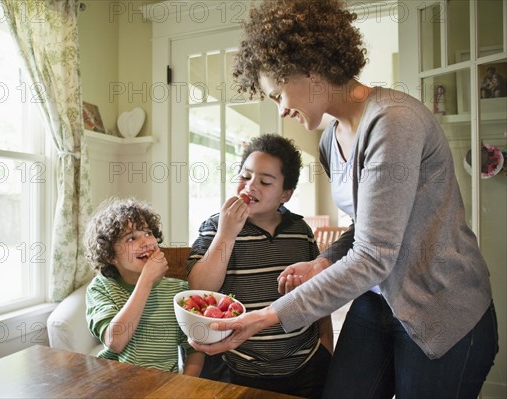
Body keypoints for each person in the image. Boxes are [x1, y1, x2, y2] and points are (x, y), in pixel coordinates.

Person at [189, 1, 498, 398]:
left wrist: (262, 318)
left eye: (279, 93)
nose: (282, 110)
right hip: (378, 301)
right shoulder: (329, 142)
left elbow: (373, 255)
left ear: (310, 69)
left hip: (442, 306)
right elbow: (368, 229)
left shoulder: (393, 121)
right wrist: (324, 260)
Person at [187, 134, 333, 398]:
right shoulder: (215, 226)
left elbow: (318, 291)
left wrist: (326, 344)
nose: (251, 186)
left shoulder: (301, 231)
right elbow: (200, 288)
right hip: (238, 366)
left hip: (305, 363)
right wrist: (226, 235)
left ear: (285, 195)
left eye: (265, 181)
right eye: (245, 176)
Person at [85, 197, 204, 376]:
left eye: (148, 233)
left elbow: (195, 350)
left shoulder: (178, 291)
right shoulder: (100, 288)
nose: (146, 242)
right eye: (131, 238)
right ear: (110, 256)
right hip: (113, 382)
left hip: (164, 385)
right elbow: (114, 341)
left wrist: (184, 386)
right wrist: (146, 281)